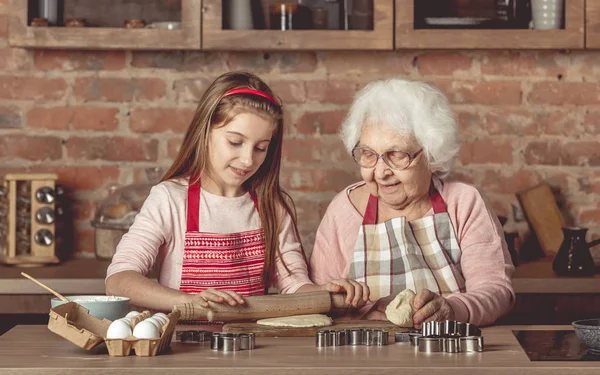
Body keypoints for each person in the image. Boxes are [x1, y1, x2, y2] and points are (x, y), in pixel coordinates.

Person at [106, 72, 369, 313]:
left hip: (251, 349)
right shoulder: (170, 200)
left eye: (260, 148)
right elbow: (119, 281)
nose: (247, 160)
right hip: (184, 350)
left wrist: (324, 292)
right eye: (235, 142)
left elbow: (294, 285)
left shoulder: (271, 206)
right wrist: (189, 301)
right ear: (205, 132)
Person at [309, 78, 515, 327]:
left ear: (431, 155)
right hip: (362, 358)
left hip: (449, 356)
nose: (381, 171)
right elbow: (315, 301)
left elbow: (496, 291)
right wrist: (331, 296)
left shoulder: (464, 203)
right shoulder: (344, 210)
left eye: (397, 155)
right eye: (368, 155)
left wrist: (453, 309)